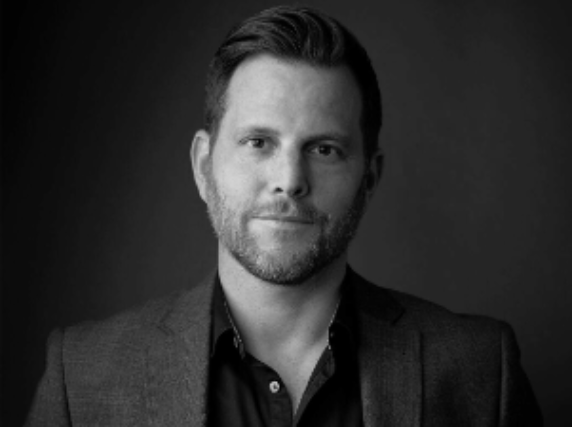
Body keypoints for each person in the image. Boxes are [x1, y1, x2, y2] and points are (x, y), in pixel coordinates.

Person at [26, 5, 542, 426]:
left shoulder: (479, 370)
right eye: (258, 142)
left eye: (324, 149)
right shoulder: (83, 377)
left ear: (369, 178)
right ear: (203, 166)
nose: (290, 179)